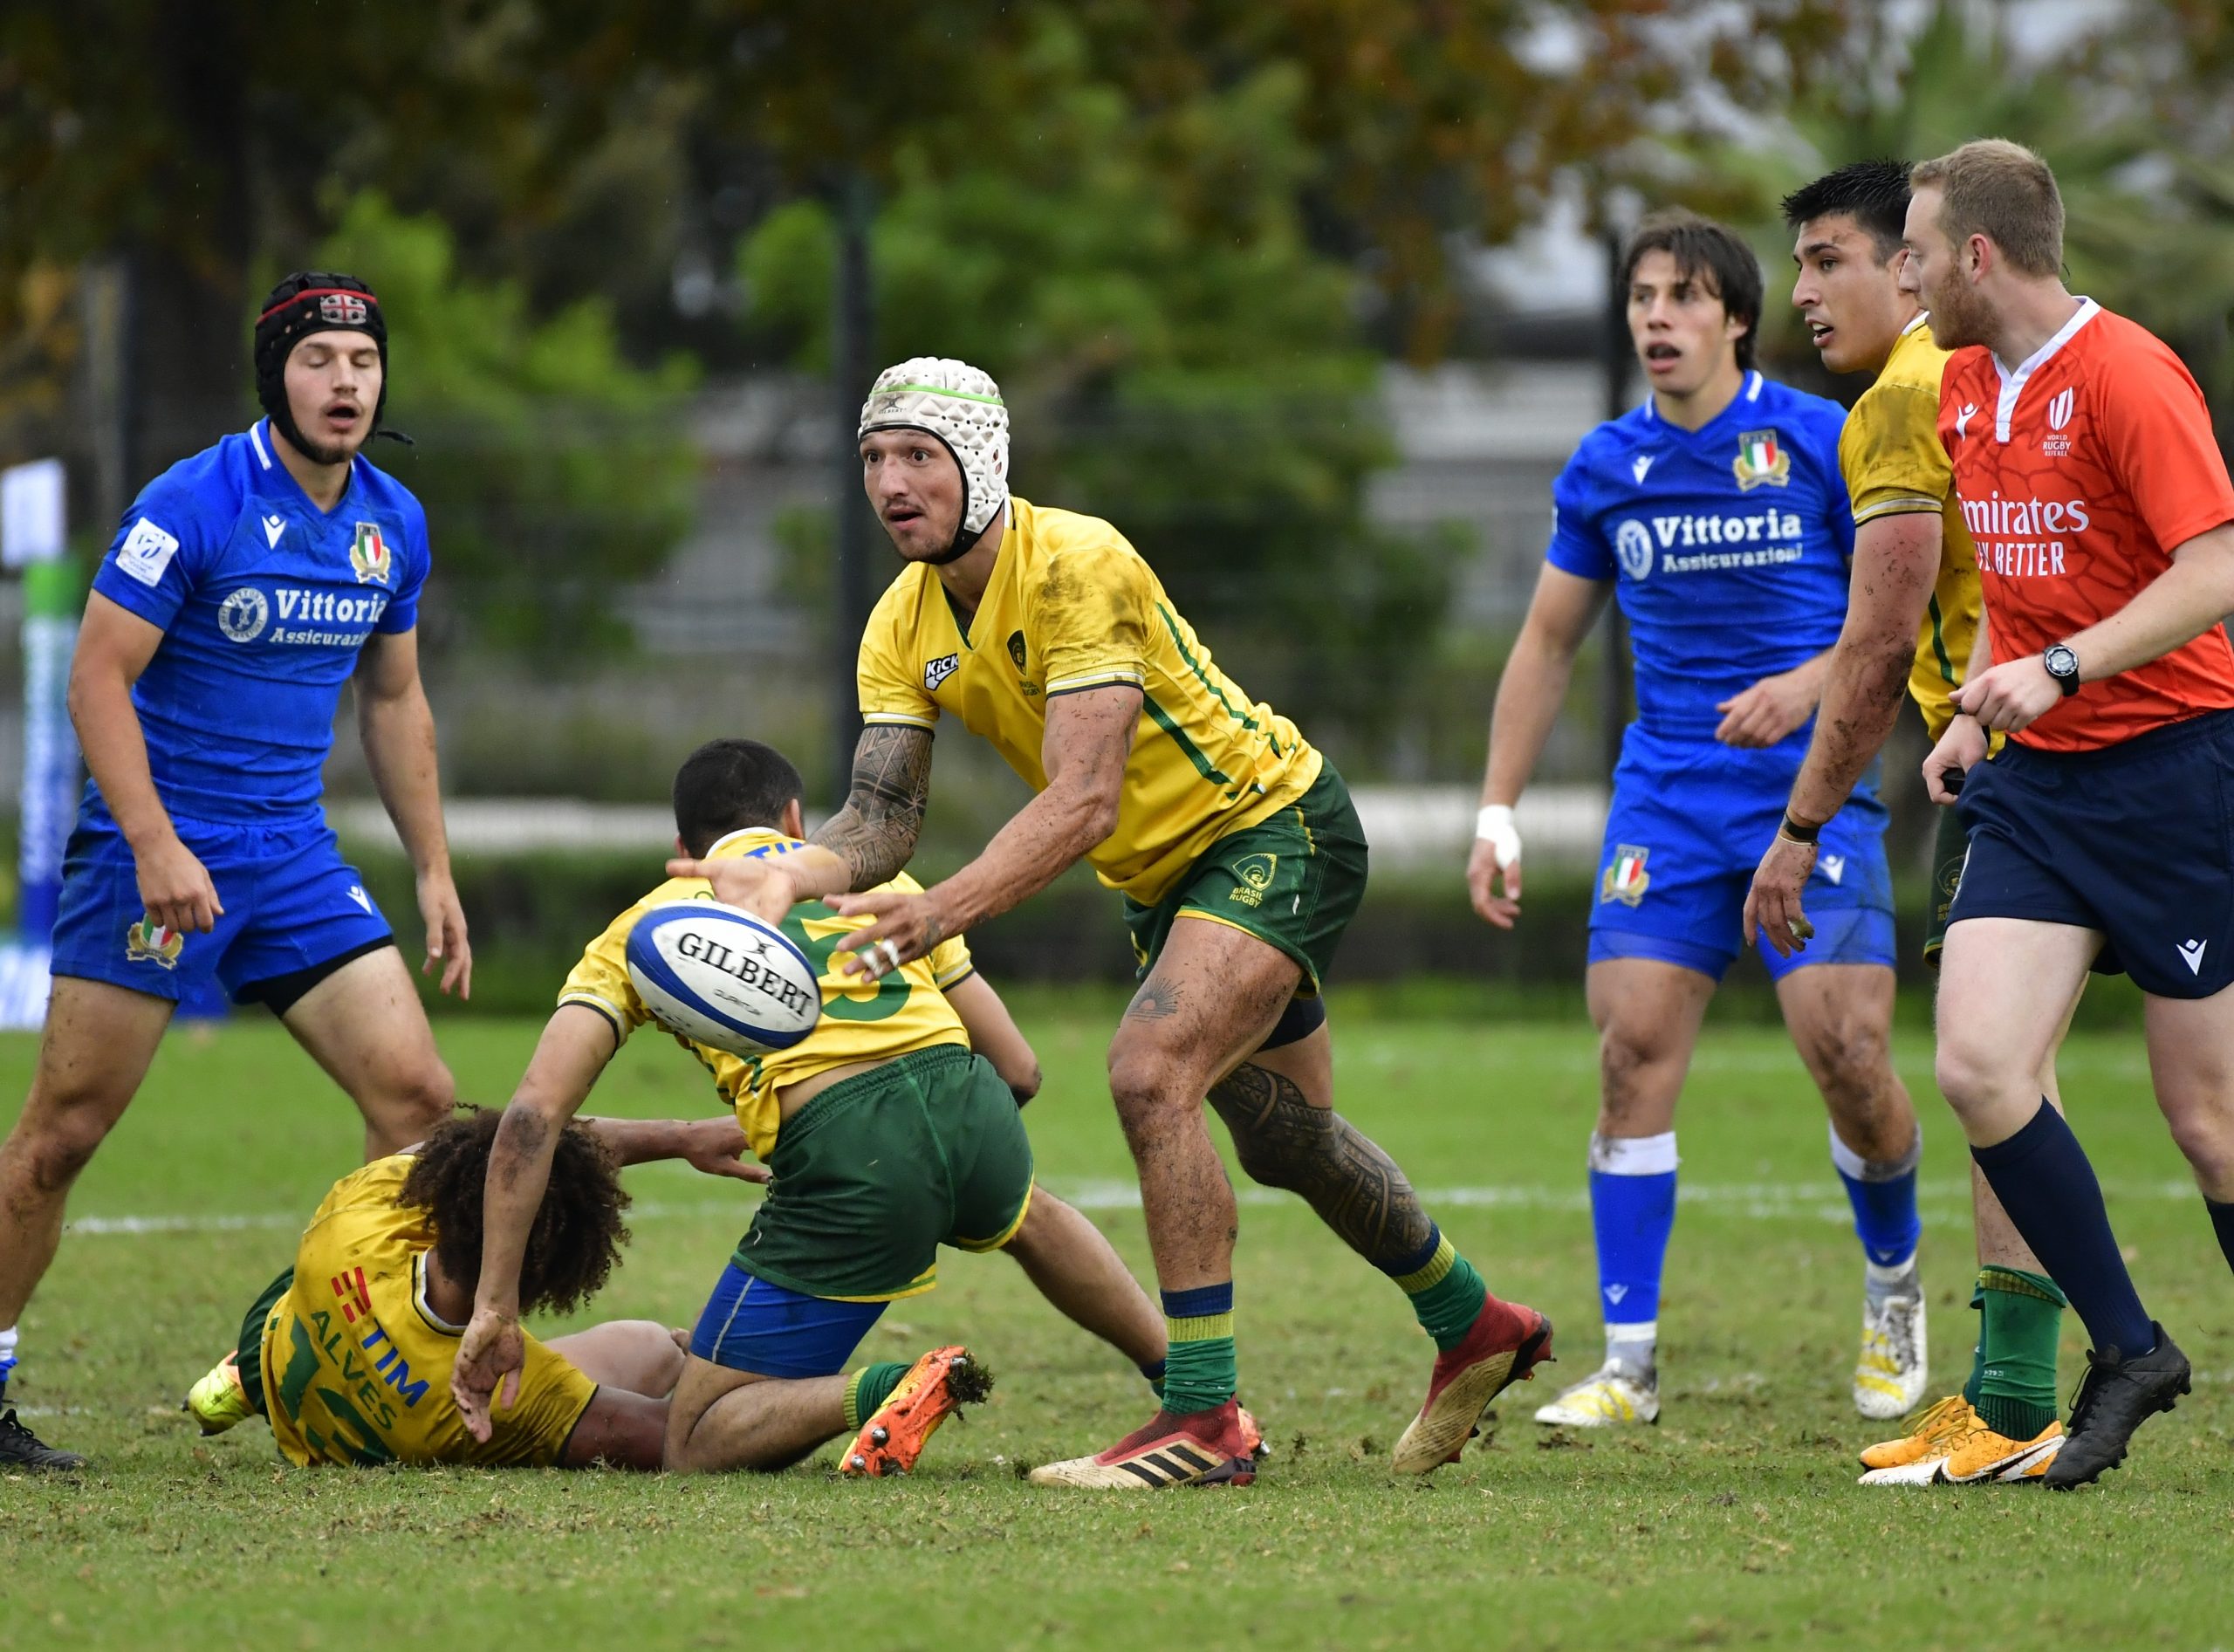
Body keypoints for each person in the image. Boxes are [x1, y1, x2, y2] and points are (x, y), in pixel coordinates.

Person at [668, 362, 1550, 1490]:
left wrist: (941, 909)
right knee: (1287, 1139)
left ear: (979, 463)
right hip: (1168, 886)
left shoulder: (1077, 563)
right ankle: (1475, 1322)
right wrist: (787, 874)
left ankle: (1204, 1418)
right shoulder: (900, 620)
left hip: (1272, 829)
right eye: (873, 460)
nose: (891, 483)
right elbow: (882, 813)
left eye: (916, 457)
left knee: (1147, 1072)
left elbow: (1083, 798)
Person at [0, 272, 470, 1470]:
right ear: (278, 374)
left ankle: (339, 1352)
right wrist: (156, 843)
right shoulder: (195, 500)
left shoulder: (391, 521)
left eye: (363, 363)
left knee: (417, 1100)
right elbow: (96, 677)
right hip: (152, 852)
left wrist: (434, 872)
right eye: (320, 361)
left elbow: (397, 696)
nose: (346, 384)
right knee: (62, 1133)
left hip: (294, 856)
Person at [1468, 210, 1925, 1430]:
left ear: (1735, 317)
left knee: (1851, 1056)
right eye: (1640, 297)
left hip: (1808, 798)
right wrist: (1497, 811)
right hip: (1663, 802)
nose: (1655, 317)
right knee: (1626, 1056)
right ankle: (1629, 1365)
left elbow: (1896, 621)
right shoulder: (1605, 466)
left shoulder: (1823, 438)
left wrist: (1806, 684)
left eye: (1681, 296)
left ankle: (1893, 1289)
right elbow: (1548, 641)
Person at [454, 737, 1174, 1478]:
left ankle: (884, 1390)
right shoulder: (875, 879)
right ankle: (1194, 1392)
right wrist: (953, 1147)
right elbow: (1019, 1067)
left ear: (682, 844)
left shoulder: (643, 929)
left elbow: (535, 1116)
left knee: (692, 1438)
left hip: (847, 1150)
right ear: (796, 822)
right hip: (967, 1094)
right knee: (1028, 1212)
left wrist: (497, 1305)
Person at [1898, 139, 2234, 1487]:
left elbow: (2212, 574)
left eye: (1917, 249)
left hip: (2175, 772)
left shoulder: (2130, 374)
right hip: (2040, 785)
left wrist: (2055, 671)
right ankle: (2132, 1350)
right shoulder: (1967, 386)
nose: (1905, 272)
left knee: (2207, 1119)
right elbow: (2026, 583)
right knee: (1981, 1066)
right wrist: (1982, 707)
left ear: (1979, 255)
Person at [1741, 160, 2073, 1486]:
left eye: (1832, 261)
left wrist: (1802, 826)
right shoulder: (1999, 372)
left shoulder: (1897, 402)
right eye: (1802, 264)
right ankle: (2007, 1397)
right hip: (2071, 741)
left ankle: (2007, 1398)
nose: (1806, 292)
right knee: (2149, 1094)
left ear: (1917, 266)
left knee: (1998, 1076)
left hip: (2042, 767)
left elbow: (1876, 645)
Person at [183, 1106, 753, 1468]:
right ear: (549, 1280)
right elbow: (681, 1439)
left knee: (308, 1289)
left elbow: (521, 1138)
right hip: (407, 1413)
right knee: (655, 1350)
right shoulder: (501, 1402)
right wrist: (725, 1340)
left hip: (275, 1343)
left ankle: (244, 1372)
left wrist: (681, 1137)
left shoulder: (357, 1213)